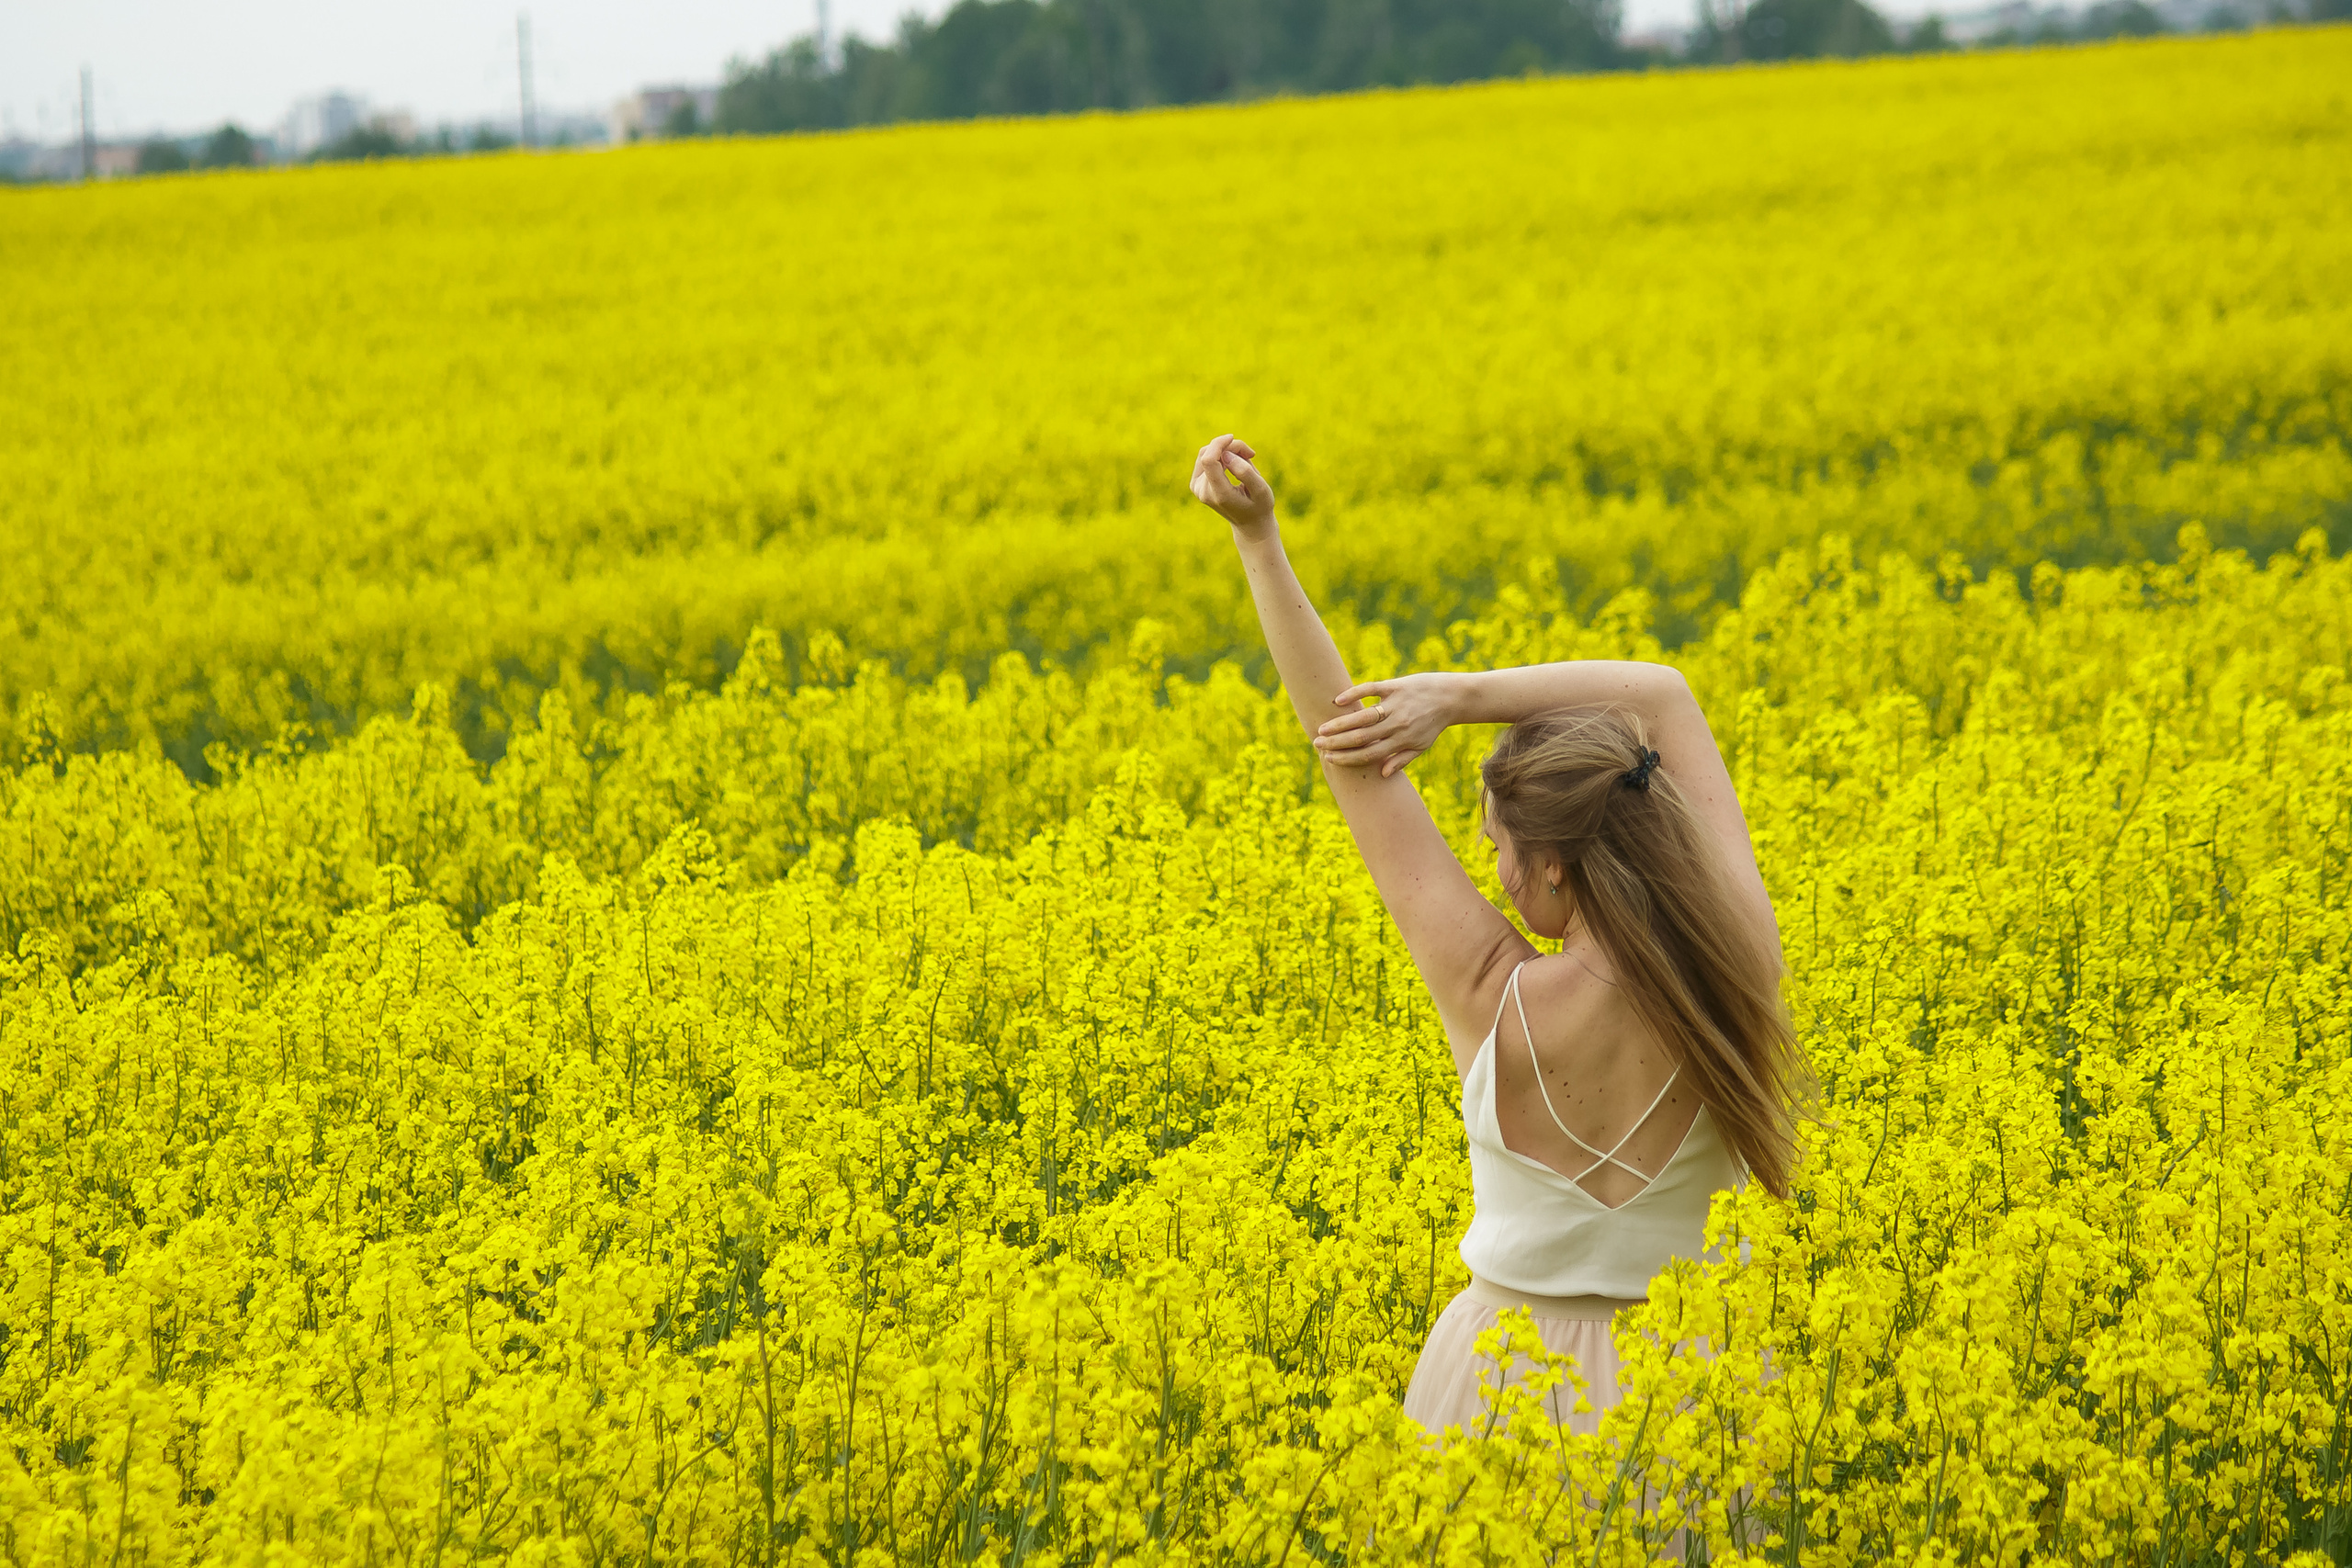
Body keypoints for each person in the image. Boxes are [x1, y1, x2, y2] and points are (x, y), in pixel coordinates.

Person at [1189, 433, 1802, 1443]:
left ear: (1551, 864)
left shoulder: (1489, 995)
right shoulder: (1738, 969)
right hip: (1702, 1393)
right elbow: (1662, 696)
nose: (1493, 872)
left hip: (1502, 1389)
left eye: (1496, 847)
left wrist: (1258, 538)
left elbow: (1351, 763)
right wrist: (1460, 697)